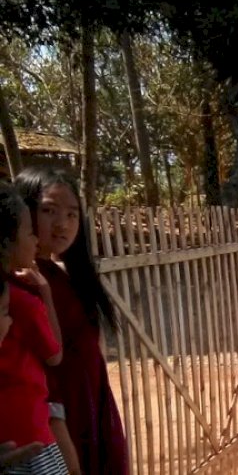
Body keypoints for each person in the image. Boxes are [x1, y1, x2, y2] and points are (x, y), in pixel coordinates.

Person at [15, 166, 129, 475]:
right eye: (49, 210)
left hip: (92, 403)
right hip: (58, 418)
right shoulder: (21, 285)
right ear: (23, 212)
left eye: (72, 214)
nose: (62, 225)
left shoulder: (61, 277)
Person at [0, 184, 67, 474]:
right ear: (6, 242)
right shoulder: (23, 301)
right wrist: (46, 295)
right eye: (29, 232)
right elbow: (55, 354)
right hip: (29, 433)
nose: (36, 240)